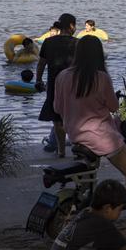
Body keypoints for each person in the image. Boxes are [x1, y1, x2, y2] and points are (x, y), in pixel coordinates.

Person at [54, 36, 126, 231]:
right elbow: (114, 107)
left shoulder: (62, 76)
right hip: (100, 136)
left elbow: (57, 107)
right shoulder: (100, 78)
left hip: (75, 135)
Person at [35, 14, 78, 158]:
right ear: (71, 26)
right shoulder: (77, 43)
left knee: (57, 118)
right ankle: (78, 145)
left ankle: (61, 150)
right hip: (73, 84)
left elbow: (41, 64)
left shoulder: (48, 42)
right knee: (74, 116)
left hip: (54, 83)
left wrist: (38, 80)